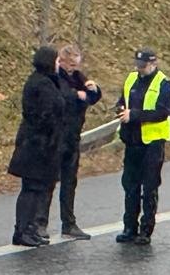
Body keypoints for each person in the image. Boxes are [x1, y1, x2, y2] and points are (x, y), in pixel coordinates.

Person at [7, 45, 66, 248]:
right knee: (31, 189)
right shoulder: (42, 84)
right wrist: (49, 139)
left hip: (39, 144)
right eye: (57, 60)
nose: (59, 64)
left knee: (38, 188)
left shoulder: (45, 81)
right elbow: (45, 115)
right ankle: (22, 230)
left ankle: (30, 228)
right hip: (37, 145)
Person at [116, 47, 170, 245]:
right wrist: (121, 110)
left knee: (149, 188)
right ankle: (129, 228)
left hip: (152, 143)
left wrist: (134, 115)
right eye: (138, 65)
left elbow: (162, 112)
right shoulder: (131, 78)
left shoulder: (164, 83)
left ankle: (146, 230)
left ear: (153, 64)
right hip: (132, 141)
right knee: (130, 186)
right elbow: (122, 101)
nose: (139, 69)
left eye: (143, 66)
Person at [54, 45, 102, 240]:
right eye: (71, 64)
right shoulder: (55, 76)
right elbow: (61, 95)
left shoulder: (78, 76)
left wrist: (94, 89)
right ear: (62, 61)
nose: (74, 68)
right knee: (47, 182)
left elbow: (92, 97)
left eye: (76, 64)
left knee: (69, 182)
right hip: (56, 137)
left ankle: (69, 223)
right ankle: (38, 224)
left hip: (73, 136)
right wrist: (77, 95)